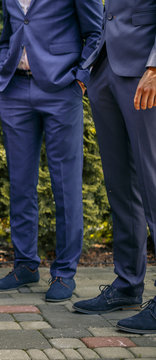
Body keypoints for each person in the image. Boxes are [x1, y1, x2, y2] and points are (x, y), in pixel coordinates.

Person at [0, 0, 103, 301]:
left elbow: (96, 31)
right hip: (14, 90)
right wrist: (0, 76)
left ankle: (64, 273)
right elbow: (8, 33)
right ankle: (25, 265)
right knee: (20, 183)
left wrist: (81, 78)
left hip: (60, 91)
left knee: (65, 185)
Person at [72, 0, 156, 334]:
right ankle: (127, 284)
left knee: (153, 186)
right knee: (120, 185)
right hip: (106, 67)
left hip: (145, 73)